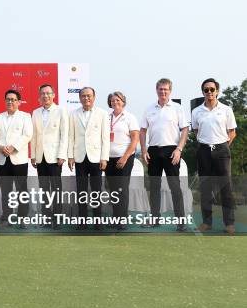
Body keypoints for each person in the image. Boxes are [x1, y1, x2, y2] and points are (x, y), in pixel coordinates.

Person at [140, 78, 188, 231]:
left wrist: (179, 149)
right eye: (160, 89)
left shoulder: (177, 108)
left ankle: (181, 222)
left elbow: (185, 130)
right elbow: (142, 131)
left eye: (166, 89)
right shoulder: (149, 109)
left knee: (175, 187)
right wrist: (143, 149)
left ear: (170, 91)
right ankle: (155, 219)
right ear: (156, 90)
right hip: (153, 151)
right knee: (154, 187)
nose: (163, 92)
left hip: (172, 151)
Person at [192, 78, 237, 235]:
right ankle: (206, 222)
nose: (209, 92)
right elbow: (196, 132)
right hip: (204, 151)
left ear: (217, 91)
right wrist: (208, 147)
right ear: (203, 92)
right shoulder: (196, 111)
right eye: (206, 90)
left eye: (212, 89)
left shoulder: (226, 110)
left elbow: (232, 132)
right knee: (205, 188)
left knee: (226, 187)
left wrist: (221, 147)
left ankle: (229, 223)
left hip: (222, 150)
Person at [68, 87, 110, 230]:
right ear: (79, 98)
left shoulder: (103, 114)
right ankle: (82, 221)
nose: (86, 98)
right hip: (79, 158)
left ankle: (98, 221)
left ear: (94, 97)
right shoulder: (73, 114)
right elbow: (70, 137)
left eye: (89, 96)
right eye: (83, 96)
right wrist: (70, 156)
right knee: (81, 191)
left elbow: (105, 138)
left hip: (96, 158)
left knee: (96, 191)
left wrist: (104, 158)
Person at [0, 89, 33, 228]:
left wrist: (13, 147)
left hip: (19, 159)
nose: (10, 102)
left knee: (22, 190)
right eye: (8, 99)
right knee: (6, 191)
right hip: (3, 159)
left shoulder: (26, 116)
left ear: (19, 102)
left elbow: (27, 135)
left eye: (13, 99)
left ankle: (22, 219)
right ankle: (7, 218)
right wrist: (1, 147)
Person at [30, 84, 68, 229]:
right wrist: (33, 155)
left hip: (55, 156)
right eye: (43, 94)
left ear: (53, 95)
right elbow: (33, 136)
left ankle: (57, 218)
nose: (45, 96)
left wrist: (62, 154)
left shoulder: (61, 111)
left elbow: (64, 134)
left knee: (56, 188)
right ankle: (46, 217)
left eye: (48, 93)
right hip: (40, 157)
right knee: (44, 189)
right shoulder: (35, 112)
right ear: (39, 96)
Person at [104, 91, 139, 230]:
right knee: (112, 190)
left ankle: (122, 219)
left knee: (122, 189)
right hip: (109, 159)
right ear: (110, 103)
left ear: (123, 101)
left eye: (118, 100)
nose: (115, 102)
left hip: (124, 158)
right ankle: (115, 218)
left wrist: (124, 157)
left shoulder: (130, 117)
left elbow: (135, 139)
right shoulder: (106, 118)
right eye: (112, 100)